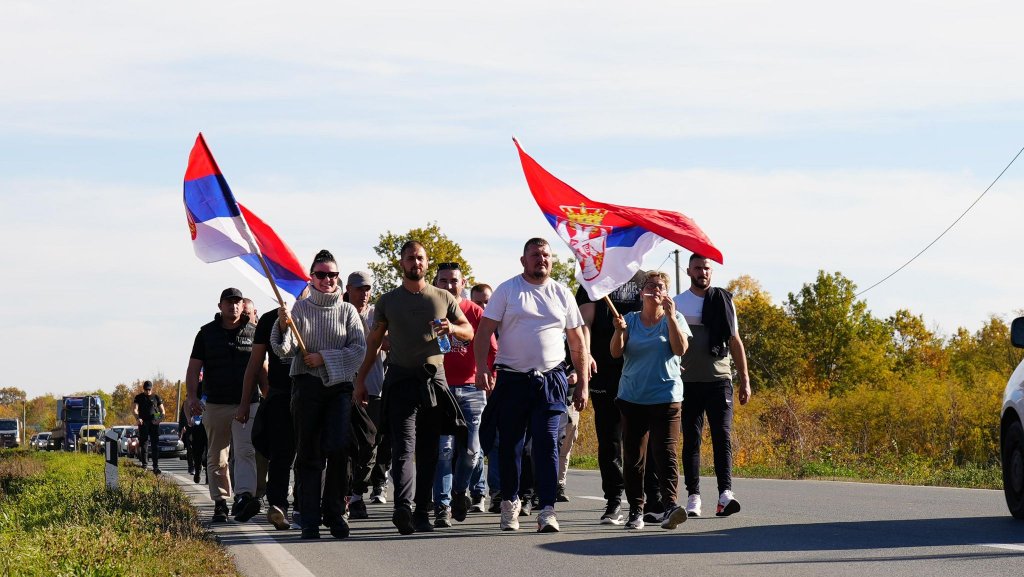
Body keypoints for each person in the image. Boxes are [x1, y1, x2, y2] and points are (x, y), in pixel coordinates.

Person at [355, 241, 473, 535]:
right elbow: (373, 343)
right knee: (403, 447)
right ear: (402, 263)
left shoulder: (443, 297)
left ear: (427, 262)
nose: (415, 263)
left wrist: (452, 328)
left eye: (420, 258)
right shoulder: (387, 301)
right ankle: (403, 509)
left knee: (429, 449)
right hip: (400, 380)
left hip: (433, 381)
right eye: (410, 258)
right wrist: (361, 380)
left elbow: (469, 332)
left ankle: (422, 512)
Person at [473, 238, 589, 533]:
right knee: (511, 446)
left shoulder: (562, 293)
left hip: (550, 379)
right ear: (523, 260)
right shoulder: (508, 290)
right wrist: (482, 368)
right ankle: (510, 502)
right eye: (535, 255)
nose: (542, 259)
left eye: (546, 255)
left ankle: (547, 509)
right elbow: (484, 332)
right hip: (512, 379)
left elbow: (577, 342)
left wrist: (583, 383)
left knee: (547, 444)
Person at [272, 250, 366, 540]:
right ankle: (309, 519)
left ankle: (335, 513)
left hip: (339, 388)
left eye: (332, 274)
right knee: (308, 453)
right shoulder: (299, 309)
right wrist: (283, 325)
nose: (327, 279)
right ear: (311, 277)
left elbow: (359, 350)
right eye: (321, 274)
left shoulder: (347, 311)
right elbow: (283, 350)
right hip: (306, 387)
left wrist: (324, 357)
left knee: (338, 449)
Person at [610, 270, 691, 530]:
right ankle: (636, 510)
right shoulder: (629, 320)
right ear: (641, 292)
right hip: (633, 398)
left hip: (666, 397)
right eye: (651, 285)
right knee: (634, 457)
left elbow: (680, 349)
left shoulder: (676, 318)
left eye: (661, 286)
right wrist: (618, 332)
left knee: (666, 453)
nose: (656, 289)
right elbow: (615, 353)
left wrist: (670, 318)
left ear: (667, 293)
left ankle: (670, 506)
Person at [673, 254, 751, 517]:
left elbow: (735, 340)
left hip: (720, 381)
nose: (702, 272)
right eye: (697, 268)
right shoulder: (678, 303)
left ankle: (725, 494)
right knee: (691, 440)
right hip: (688, 383)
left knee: (722, 436)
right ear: (688, 271)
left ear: (711, 272)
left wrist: (745, 379)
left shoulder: (724, 301)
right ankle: (693, 496)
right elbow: (668, 341)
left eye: (706, 268)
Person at [185, 288, 260, 524]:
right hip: (216, 403)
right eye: (229, 302)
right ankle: (220, 502)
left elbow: (263, 369)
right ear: (220, 306)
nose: (233, 306)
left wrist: (269, 397)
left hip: (247, 403)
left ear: (242, 306)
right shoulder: (206, 334)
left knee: (246, 451)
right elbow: (193, 368)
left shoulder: (254, 332)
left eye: (237, 302)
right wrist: (192, 397)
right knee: (218, 455)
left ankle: (244, 497)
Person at [575, 270, 645, 524]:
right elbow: (584, 323)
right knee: (609, 439)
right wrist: (585, 353)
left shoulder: (644, 280)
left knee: (640, 439)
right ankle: (614, 500)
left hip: (639, 369)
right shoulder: (592, 279)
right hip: (604, 369)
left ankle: (646, 499)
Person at [431, 262, 497, 527]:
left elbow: (492, 349)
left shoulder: (475, 311)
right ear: (436, 282)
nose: (449, 285)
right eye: (443, 280)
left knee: (472, 451)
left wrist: (489, 375)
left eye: (454, 280)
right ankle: (442, 506)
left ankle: (460, 491)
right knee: (444, 450)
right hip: (441, 388)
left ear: (463, 282)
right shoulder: (430, 308)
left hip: (472, 388)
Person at [240, 287, 306, 530]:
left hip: (311, 395)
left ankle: (304, 507)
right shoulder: (268, 320)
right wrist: (245, 402)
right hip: (279, 396)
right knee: (280, 455)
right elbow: (254, 364)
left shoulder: (314, 316)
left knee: (308, 454)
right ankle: (278, 506)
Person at [344, 270, 388, 519]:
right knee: (347, 445)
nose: (364, 293)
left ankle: (357, 492)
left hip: (374, 389)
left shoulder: (378, 315)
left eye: (368, 288)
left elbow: (390, 343)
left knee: (370, 444)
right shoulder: (340, 313)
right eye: (359, 288)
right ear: (348, 289)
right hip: (345, 389)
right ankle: (347, 495)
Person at [132, 380, 165, 474]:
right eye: (146, 389)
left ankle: (156, 467)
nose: (148, 391)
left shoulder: (156, 397)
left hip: (154, 423)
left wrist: (159, 420)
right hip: (143, 423)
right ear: (143, 389)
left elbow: (162, 411)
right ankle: (144, 466)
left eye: (149, 389)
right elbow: (134, 409)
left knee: (155, 445)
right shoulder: (139, 397)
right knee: (144, 445)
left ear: (152, 388)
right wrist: (138, 418)